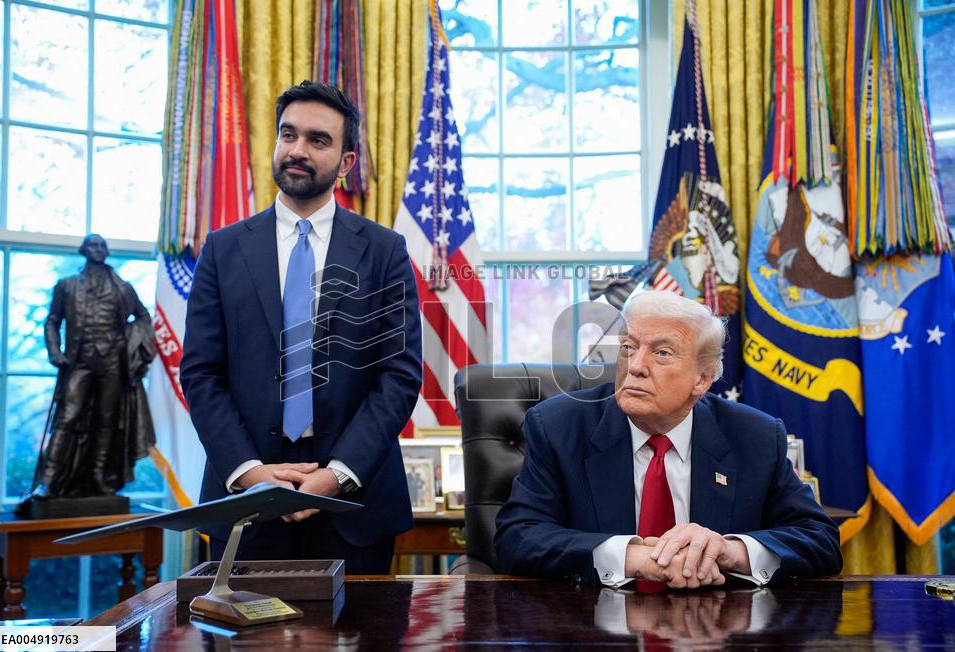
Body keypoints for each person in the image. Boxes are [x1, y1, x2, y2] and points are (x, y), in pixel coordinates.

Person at [180, 81, 422, 573]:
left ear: (346, 162)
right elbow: (202, 373)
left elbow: (398, 377)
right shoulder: (223, 250)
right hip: (246, 500)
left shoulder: (385, 251)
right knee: (238, 650)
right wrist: (250, 473)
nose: (297, 150)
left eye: (318, 140)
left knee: (359, 649)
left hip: (354, 503)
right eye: (288, 135)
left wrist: (337, 475)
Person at [494, 290, 841, 588]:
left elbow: (820, 539)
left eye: (661, 353)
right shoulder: (558, 427)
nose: (636, 366)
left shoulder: (756, 436)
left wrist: (729, 551)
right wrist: (634, 558)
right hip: (593, 632)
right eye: (628, 347)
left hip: (718, 637)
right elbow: (518, 538)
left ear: (702, 380)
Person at [30, 234, 155, 500]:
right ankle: (48, 480)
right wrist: (55, 352)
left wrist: (131, 343)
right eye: (93, 245)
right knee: (67, 417)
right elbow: (52, 321)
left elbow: (144, 317)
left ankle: (100, 476)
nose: (98, 249)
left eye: (102, 245)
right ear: (83, 250)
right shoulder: (67, 286)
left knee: (106, 419)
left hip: (112, 363)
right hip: (79, 361)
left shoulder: (123, 288)